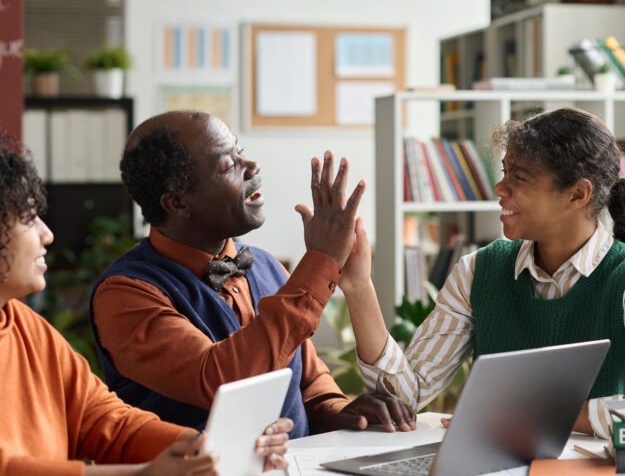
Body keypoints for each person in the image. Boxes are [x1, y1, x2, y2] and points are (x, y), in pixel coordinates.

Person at [340, 107, 625, 440]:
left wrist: (539, 415)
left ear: (577, 194)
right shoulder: (479, 271)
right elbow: (405, 396)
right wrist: (358, 287)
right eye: (504, 172)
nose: (499, 188)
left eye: (520, 177)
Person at [91, 110, 415, 438]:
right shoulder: (124, 293)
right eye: (227, 164)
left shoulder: (265, 265)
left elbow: (308, 380)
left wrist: (337, 409)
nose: (252, 166)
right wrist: (322, 260)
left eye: (240, 152)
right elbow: (220, 379)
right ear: (177, 203)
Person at [0, 137, 293, 475]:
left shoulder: (23, 323)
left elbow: (104, 419)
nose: (47, 234)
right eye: (27, 218)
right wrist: (143, 474)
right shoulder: (128, 288)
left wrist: (207, 449)